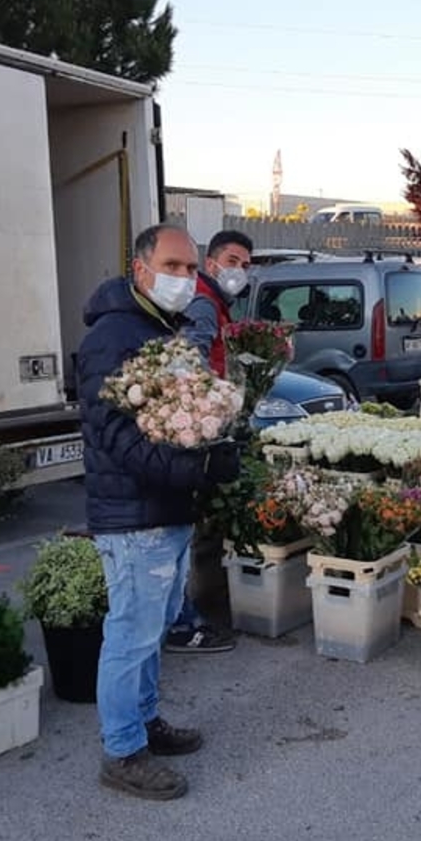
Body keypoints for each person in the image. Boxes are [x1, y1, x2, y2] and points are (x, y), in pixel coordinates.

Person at [76, 223, 244, 800]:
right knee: (131, 633)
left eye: (190, 268)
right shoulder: (114, 336)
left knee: (151, 632)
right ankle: (123, 752)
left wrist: (211, 444)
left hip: (165, 506)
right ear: (140, 269)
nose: (184, 278)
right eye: (172, 267)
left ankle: (145, 723)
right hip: (134, 513)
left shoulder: (157, 325)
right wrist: (194, 469)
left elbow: (174, 416)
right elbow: (116, 434)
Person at [161, 228, 257, 656]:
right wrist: (214, 406)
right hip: (200, 431)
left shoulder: (213, 301)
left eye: (247, 265)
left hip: (205, 426)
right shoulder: (203, 302)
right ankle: (186, 619)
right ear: (214, 262)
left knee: (191, 526)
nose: (240, 271)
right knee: (187, 527)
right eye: (233, 262)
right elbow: (191, 360)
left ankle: (191, 611)